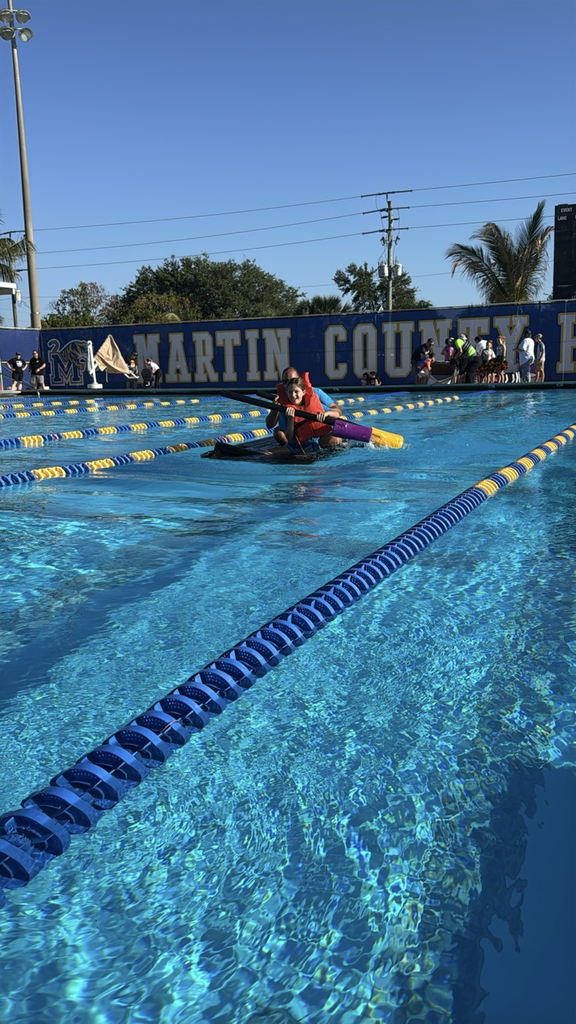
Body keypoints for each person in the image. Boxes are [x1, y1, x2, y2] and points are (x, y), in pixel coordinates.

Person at [265, 366, 342, 446]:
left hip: (320, 436)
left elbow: (337, 411)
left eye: (291, 380)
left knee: (335, 438)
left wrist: (326, 413)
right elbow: (270, 425)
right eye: (285, 381)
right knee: (278, 432)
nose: (288, 384)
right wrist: (275, 409)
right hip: (299, 439)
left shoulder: (315, 393)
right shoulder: (283, 403)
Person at [283, 376, 344, 454]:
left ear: (303, 392)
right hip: (301, 447)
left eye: (296, 392)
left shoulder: (314, 403)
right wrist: (290, 420)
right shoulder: (285, 409)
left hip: (319, 442)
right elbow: (288, 437)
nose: (293, 395)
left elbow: (337, 413)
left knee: (335, 439)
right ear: (286, 393)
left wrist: (326, 414)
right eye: (290, 392)